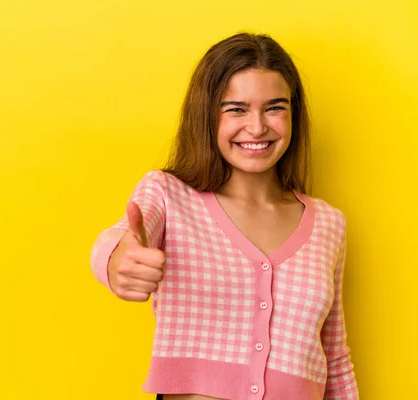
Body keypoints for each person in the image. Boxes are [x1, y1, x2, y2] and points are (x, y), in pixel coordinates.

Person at [89, 32, 359, 400]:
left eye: (275, 107)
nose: (257, 126)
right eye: (236, 108)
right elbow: (118, 241)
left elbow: (336, 360)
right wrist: (117, 259)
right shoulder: (168, 195)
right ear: (207, 114)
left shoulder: (329, 224)